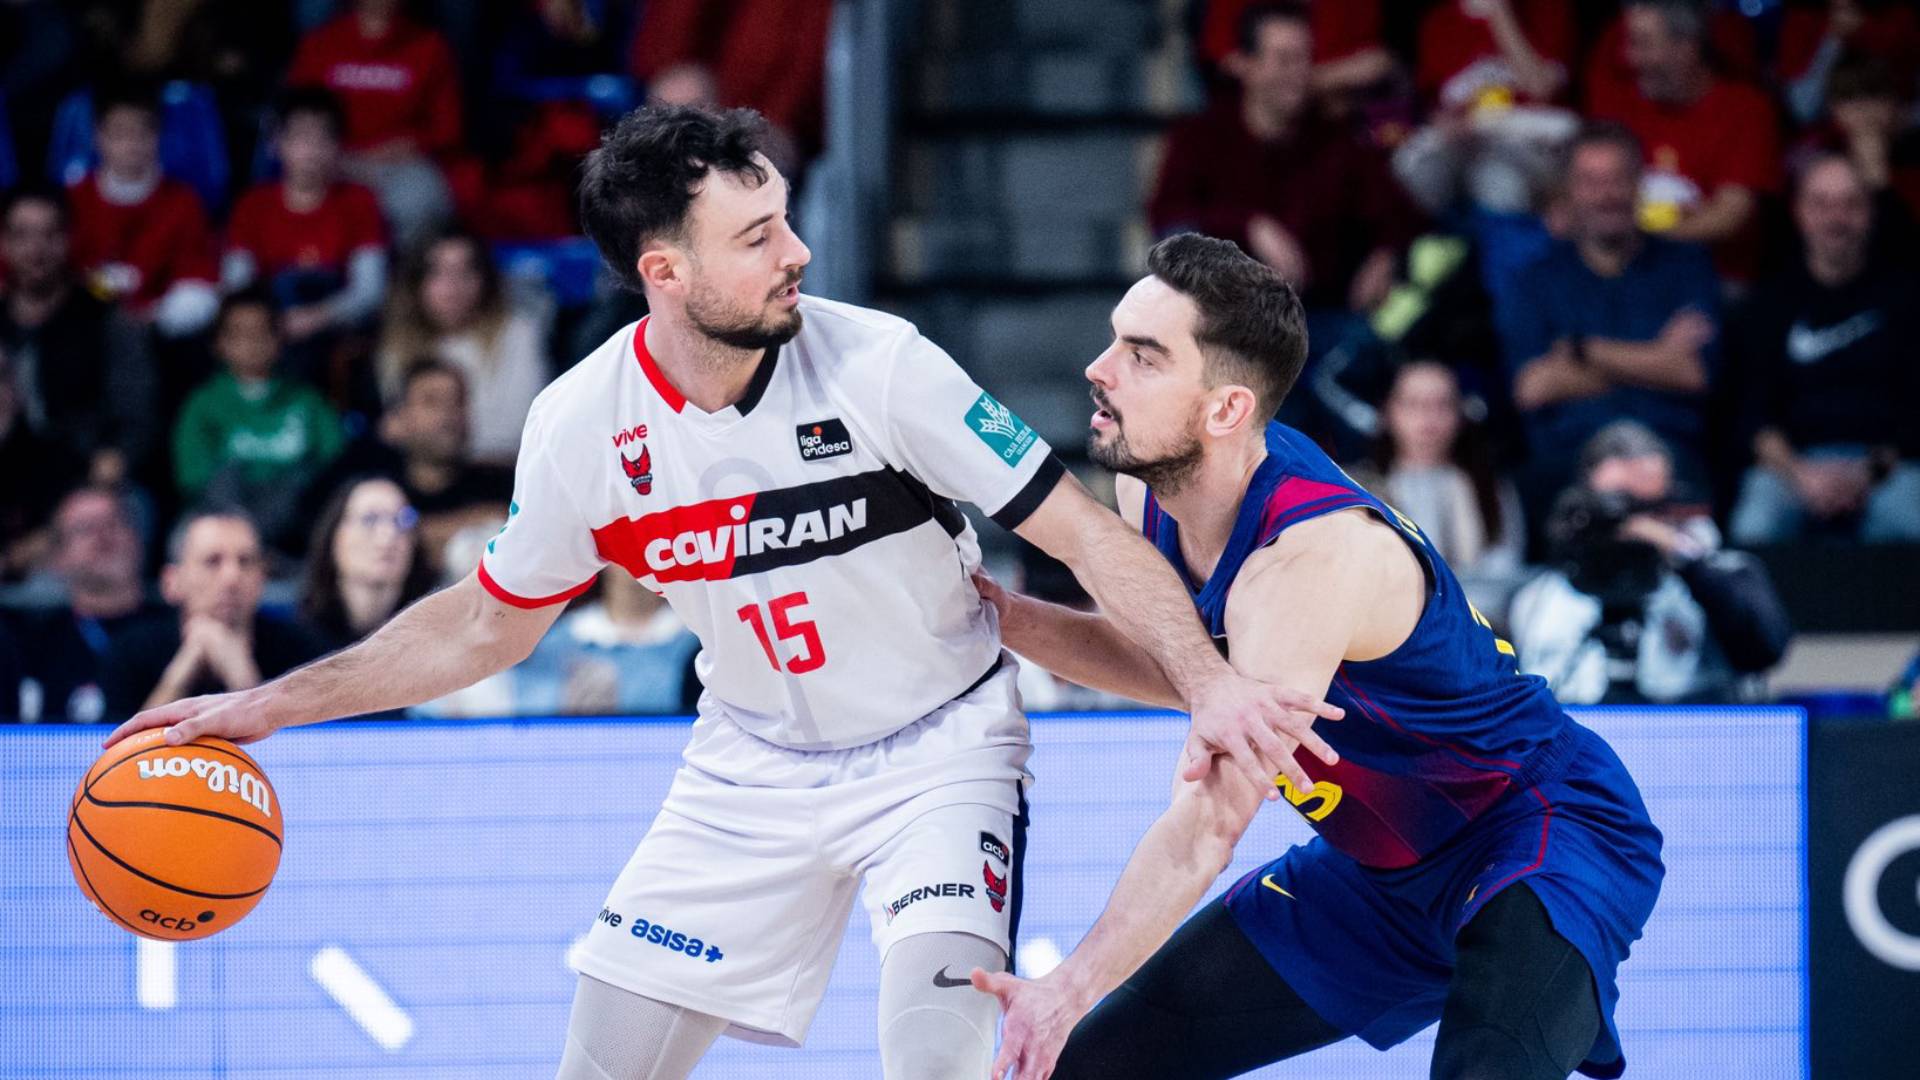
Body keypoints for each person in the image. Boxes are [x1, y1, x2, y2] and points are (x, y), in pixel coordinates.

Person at [105, 104, 1336, 1080]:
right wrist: (267, 707)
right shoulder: (581, 425)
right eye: (757, 238)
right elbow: (484, 624)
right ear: (666, 272)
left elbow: (1084, 534)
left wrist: (1211, 681)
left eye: (787, 220)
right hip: (747, 770)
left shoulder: (881, 365)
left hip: (942, 752)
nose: (798, 251)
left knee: (940, 1062)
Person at [969, 234, 1665, 1080]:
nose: (1098, 367)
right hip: (1377, 874)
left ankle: (1533, 970)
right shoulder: (1145, 487)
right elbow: (1184, 672)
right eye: (1117, 338)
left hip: (1534, 829)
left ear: (1225, 409)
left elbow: (1209, 827)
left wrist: (1066, 987)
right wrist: (999, 614)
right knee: (1090, 1068)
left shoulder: (1307, 561)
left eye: (1142, 356)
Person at [1147, 1, 1422, 316]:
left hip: (1318, 319)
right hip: (1223, 322)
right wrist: (1249, 226)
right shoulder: (1200, 138)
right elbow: (1169, 223)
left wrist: (1384, 257)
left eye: (1304, 59)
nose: (1297, 74)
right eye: (1283, 60)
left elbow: (1401, 216)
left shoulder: (1336, 140)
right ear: (1245, 64)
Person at [1498, 123, 1720, 503]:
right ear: (1569, 191)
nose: (1606, 195)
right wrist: (1655, 359)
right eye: (1590, 181)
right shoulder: (1537, 279)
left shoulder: (1686, 266)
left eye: (1618, 179)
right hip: (1568, 460)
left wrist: (1583, 351)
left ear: (1639, 184)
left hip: (1666, 455)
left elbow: (1692, 372)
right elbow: (1533, 388)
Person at [1510, 422, 1791, 704]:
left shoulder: (1711, 578)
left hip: (1685, 735)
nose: (1632, 526)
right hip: (1569, 733)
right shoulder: (1539, 595)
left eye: (1648, 508)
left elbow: (1765, 649)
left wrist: (1687, 557)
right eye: (1616, 508)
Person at [1728, 154, 1920, 544]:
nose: (1837, 219)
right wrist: (1803, 476)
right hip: (1789, 468)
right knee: (1753, 526)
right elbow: (1752, 416)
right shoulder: (1768, 303)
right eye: (1822, 204)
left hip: (1887, 467)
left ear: (1870, 213)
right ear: (1799, 212)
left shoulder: (1907, 299)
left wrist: (1865, 475)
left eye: (1851, 205)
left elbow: (1916, 413)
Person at [1587, 0, 1781, 277]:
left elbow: (1730, 215)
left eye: (1644, 44)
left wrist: (1638, 240)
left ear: (1686, 48)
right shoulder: (1623, 98)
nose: (1631, 58)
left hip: (1711, 276)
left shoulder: (1746, 110)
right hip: (1624, 271)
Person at [0, 184, 158, 491]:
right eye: (22, 235)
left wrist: (116, 459)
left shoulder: (107, 318)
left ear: (68, 238)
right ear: (3, 242)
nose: (36, 250)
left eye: (49, 235)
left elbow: (138, 417)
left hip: (91, 480)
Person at [100, 508, 323, 719]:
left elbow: (298, 752)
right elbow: (117, 754)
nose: (232, 577)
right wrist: (179, 676)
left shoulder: (302, 650)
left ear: (262, 578)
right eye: (212, 561)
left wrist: (243, 678)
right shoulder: (130, 651)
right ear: (172, 581)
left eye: (245, 562)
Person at [302, 358, 513, 572]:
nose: (449, 414)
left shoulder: (499, 481)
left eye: (458, 401)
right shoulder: (365, 476)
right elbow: (317, 530)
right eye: (432, 402)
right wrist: (465, 523)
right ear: (399, 418)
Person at [172, 290, 346, 549]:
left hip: (294, 527)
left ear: (280, 339)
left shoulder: (307, 399)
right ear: (219, 343)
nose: (252, 342)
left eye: (262, 332)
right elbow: (193, 475)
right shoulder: (203, 403)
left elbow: (335, 462)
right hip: (223, 518)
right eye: (239, 333)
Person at [286, 0, 461, 250]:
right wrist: (330, 154)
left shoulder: (430, 46)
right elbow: (297, 114)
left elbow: (447, 129)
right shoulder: (320, 43)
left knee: (422, 199)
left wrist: (408, 146)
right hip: (332, 159)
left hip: (400, 164)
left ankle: (407, 283)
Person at [223, 88, 388, 348]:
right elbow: (237, 284)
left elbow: (369, 289)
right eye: (301, 138)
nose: (312, 151)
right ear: (278, 144)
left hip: (336, 325)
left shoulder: (359, 202)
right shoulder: (252, 205)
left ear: (338, 146)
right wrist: (271, 323)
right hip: (268, 328)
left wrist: (316, 317)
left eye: (323, 138)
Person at [377, 229, 550, 466]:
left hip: (502, 474)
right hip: (423, 481)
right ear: (416, 282)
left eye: (466, 271)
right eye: (437, 272)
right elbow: (395, 430)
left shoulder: (518, 333)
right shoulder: (398, 345)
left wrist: (434, 443)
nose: (453, 285)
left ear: (485, 280)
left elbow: (524, 428)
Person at [63, 82, 220, 338]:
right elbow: (65, 271)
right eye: (120, 133)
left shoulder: (183, 202)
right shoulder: (74, 199)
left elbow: (197, 277)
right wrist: (101, 290)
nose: (131, 145)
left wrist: (158, 315)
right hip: (83, 327)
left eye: (142, 133)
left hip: (161, 334)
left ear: (159, 135)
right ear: (98, 136)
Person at [1350, 360, 1523, 583]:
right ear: (1388, 412)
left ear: (1461, 413)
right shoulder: (1363, 488)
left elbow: (1507, 561)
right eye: (1413, 404)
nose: (1428, 416)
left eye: (1442, 404)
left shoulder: (1488, 484)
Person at [10, 487, 161, 722]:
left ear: (138, 539)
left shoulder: (179, 633)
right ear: (57, 557)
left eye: (114, 523)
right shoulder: (32, 647)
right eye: (86, 528)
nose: (103, 536)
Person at [297, 476, 434, 653]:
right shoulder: (290, 636)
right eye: (370, 519)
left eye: (403, 520)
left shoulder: (437, 634)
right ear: (334, 536)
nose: (388, 536)